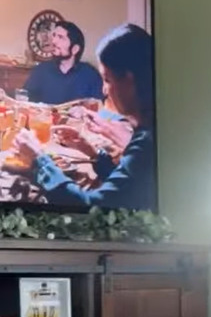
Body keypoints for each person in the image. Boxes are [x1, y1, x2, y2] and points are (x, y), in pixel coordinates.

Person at [15, 24, 156, 209]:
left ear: (128, 79)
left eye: (107, 79)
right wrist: (93, 153)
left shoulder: (148, 140)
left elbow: (90, 206)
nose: (105, 89)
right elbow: (126, 186)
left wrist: (38, 160)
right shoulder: (148, 128)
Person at [23, 22, 103, 105]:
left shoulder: (91, 75)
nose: (54, 41)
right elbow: (25, 100)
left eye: (61, 37)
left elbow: (101, 109)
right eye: (54, 36)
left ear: (75, 49)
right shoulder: (41, 70)